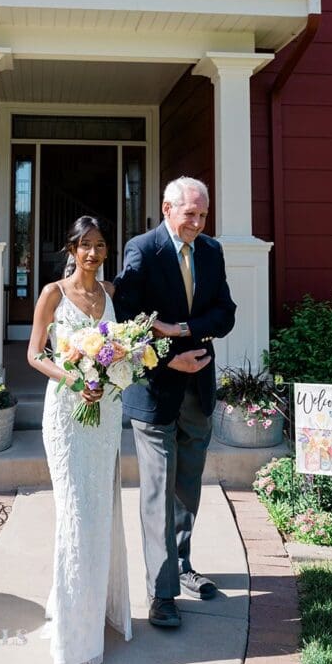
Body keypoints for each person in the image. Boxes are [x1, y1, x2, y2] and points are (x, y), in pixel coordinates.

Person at [113, 177, 236, 629]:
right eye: (191, 214)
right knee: (158, 490)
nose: (198, 223)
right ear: (167, 208)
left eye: (203, 215)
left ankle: (181, 565)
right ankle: (161, 595)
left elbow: (225, 314)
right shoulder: (142, 250)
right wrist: (170, 356)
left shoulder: (212, 251)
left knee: (187, 484)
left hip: (198, 388)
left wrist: (180, 329)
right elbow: (127, 324)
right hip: (155, 390)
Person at [27, 216, 132, 664]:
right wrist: (75, 377)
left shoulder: (110, 294)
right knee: (75, 515)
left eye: (100, 245)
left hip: (106, 414)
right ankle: (75, 638)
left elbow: (121, 348)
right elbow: (35, 354)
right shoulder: (53, 293)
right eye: (84, 245)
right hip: (67, 416)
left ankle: (97, 612)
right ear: (70, 248)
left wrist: (111, 370)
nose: (92, 252)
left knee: (101, 512)